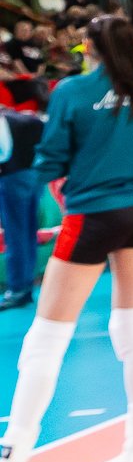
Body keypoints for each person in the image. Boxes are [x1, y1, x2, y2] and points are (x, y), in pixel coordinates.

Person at [0, 15, 133, 462]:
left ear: (88, 48)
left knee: (46, 339)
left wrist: (36, 173)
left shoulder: (73, 91)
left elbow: (52, 156)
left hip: (95, 214)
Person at [0, 100, 44, 309]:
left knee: (15, 234)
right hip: (34, 175)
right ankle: (25, 286)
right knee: (28, 232)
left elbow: (4, 153)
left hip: (12, 178)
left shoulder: (4, 122)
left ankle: (18, 288)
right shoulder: (28, 118)